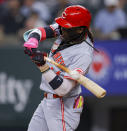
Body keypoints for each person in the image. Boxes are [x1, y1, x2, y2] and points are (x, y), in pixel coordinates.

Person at [23, 5, 94, 131]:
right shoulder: (68, 30)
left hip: (64, 106)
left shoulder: (83, 54)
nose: (62, 30)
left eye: (67, 27)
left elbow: (63, 90)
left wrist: (42, 66)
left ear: (80, 30)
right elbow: (38, 31)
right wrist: (33, 41)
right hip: (48, 101)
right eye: (62, 26)